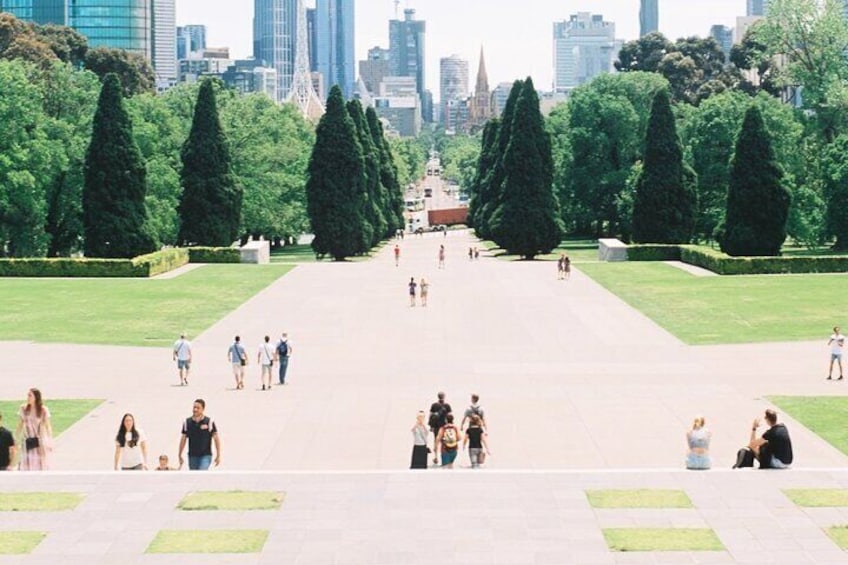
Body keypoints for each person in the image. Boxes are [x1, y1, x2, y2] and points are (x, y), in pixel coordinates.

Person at [178, 399, 221, 471]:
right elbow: (183, 439)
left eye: (198, 408)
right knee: (193, 477)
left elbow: (216, 439)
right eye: (194, 407)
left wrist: (218, 455)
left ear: (203, 409)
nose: (195, 409)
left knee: (202, 472)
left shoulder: (209, 421)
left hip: (205, 455)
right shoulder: (187, 422)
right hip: (192, 455)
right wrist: (179, 454)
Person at [15, 388, 52, 471]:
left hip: (39, 441)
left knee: (40, 464)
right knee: (26, 464)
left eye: (30, 395)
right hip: (27, 440)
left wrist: (50, 441)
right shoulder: (23, 408)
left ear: (36, 397)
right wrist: (15, 439)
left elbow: (48, 426)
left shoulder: (43, 410)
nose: (28, 397)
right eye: (27, 395)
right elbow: (20, 425)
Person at [428, 392, 452, 464]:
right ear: (444, 397)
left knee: (436, 441)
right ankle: (444, 457)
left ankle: (435, 457)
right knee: (444, 442)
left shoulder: (434, 405)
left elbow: (431, 416)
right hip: (444, 426)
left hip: (436, 426)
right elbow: (450, 416)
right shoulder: (447, 405)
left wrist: (431, 426)